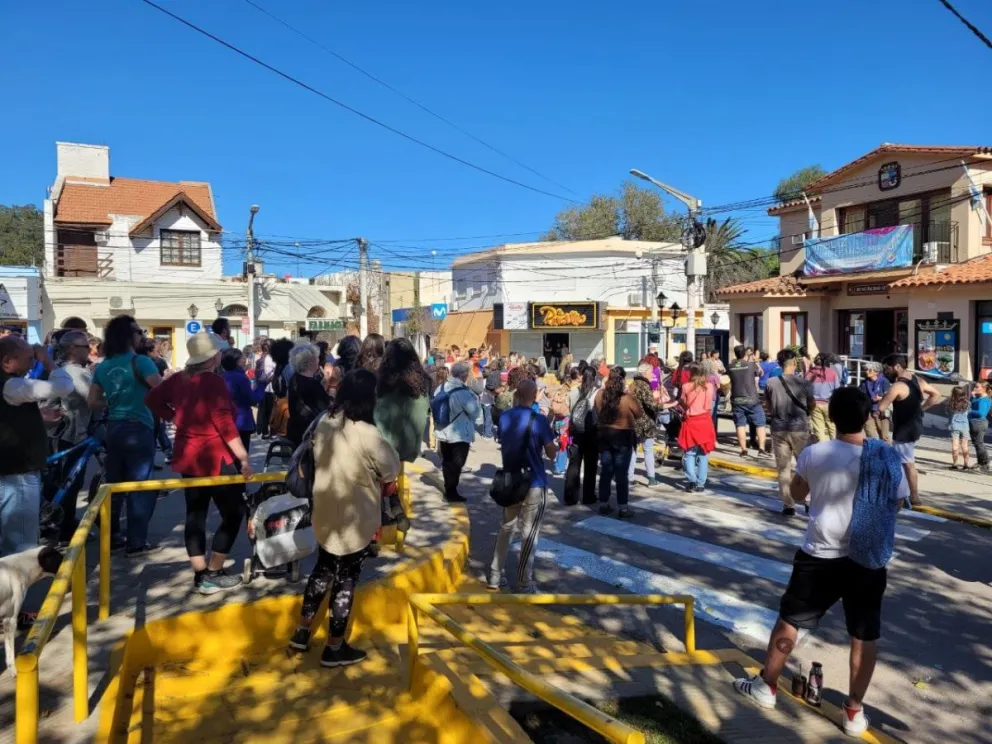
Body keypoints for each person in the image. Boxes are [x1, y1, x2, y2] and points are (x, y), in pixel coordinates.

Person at [734, 387, 907, 739]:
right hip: (868, 560)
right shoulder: (885, 457)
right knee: (863, 635)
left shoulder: (816, 453)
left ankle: (767, 686)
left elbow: (797, 495)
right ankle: (854, 712)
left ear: (831, 417)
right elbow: (898, 501)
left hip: (819, 556)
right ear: (867, 417)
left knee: (790, 622)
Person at [287, 369, 400, 667]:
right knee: (346, 579)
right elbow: (391, 470)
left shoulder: (324, 421)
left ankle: (301, 632)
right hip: (355, 517)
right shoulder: (368, 433)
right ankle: (334, 647)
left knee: (322, 570)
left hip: (324, 509)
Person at [146, 333, 253, 594]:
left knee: (196, 514)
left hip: (188, 455)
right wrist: (243, 457)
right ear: (213, 357)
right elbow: (224, 425)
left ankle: (200, 574)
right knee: (234, 511)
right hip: (214, 456)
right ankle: (214, 570)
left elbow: (152, 400)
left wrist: (175, 418)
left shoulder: (179, 379)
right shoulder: (213, 382)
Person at [88, 315, 162, 555]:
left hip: (114, 428)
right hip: (139, 427)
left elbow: (93, 401)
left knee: (113, 486)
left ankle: (111, 537)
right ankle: (136, 541)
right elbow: (161, 390)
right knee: (140, 486)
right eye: (138, 331)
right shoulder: (141, 362)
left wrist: (114, 402)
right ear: (129, 335)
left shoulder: (103, 366)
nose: (142, 335)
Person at [1, 336, 73, 556]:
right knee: (21, 545)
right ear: (7, 362)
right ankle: (17, 588)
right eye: (29, 358)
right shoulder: (12, 384)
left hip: (10, 470)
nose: (34, 363)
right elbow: (64, 386)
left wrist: (37, 417)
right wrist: (48, 361)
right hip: (18, 472)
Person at [487, 379, 556, 593]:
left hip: (511, 480)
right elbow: (552, 452)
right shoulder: (540, 421)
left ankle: (495, 575)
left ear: (517, 394)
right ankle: (524, 581)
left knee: (506, 528)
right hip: (534, 481)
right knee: (529, 533)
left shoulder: (506, 417)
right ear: (535, 396)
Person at [374, 338, 431, 529]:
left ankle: (385, 511)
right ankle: (395, 505)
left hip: (383, 445)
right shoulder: (423, 383)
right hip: (409, 447)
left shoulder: (382, 383)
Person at [44, 331, 94, 544]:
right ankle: (66, 531)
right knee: (70, 483)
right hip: (71, 434)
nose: (89, 351)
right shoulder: (74, 372)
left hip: (58, 433)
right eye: (85, 347)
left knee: (61, 481)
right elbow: (93, 398)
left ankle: (58, 521)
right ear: (72, 349)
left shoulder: (62, 370)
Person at [878, 354, 942, 507]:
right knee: (901, 462)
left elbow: (881, 407)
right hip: (915, 426)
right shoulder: (917, 380)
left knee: (907, 463)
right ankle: (903, 494)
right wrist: (922, 408)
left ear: (897, 367)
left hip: (904, 429)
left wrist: (883, 399)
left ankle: (913, 496)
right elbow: (936, 394)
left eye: (888, 368)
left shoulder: (897, 386)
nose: (886, 372)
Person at [765, 350, 815, 515]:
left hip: (779, 428)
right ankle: (808, 501)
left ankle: (788, 505)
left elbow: (769, 407)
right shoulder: (805, 383)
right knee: (806, 466)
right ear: (794, 363)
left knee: (783, 468)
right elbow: (812, 405)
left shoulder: (771, 383)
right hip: (800, 427)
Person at [595, 367, 643, 518]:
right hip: (622, 435)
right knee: (621, 474)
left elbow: (597, 411)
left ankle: (603, 503)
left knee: (606, 470)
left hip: (604, 434)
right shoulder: (626, 398)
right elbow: (639, 413)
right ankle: (623, 507)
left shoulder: (599, 395)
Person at [434, 361, 480, 503]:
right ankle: (451, 492)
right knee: (456, 464)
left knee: (447, 462)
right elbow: (475, 412)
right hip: (459, 434)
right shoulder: (463, 392)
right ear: (464, 376)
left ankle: (449, 489)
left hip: (442, 431)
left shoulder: (440, 387)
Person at [674, 363, 717, 492]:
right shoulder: (709, 386)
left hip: (691, 421)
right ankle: (701, 483)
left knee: (689, 453)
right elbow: (709, 404)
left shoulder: (686, 386)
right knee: (703, 453)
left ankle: (691, 480)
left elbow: (684, 403)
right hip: (705, 420)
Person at [564, 367, 599, 506]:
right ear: (595, 377)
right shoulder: (597, 393)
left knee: (573, 463)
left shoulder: (573, 392)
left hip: (575, 431)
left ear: (581, 377)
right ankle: (588, 496)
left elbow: (570, 410)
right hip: (591, 432)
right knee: (591, 465)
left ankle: (570, 497)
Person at [221, 347, 266, 450]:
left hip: (227, 420)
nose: (245, 359)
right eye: (242, 357)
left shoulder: (223, 376)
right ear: (237, 361)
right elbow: (253, 399)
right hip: (241, 420)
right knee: (241, 455)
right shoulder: (240, 378)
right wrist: (262, 384)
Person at [728, 345, 768, 458]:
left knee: (740, 425)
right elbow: (761, 373)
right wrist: (756, 362)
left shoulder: (730, 366)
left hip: (736, 399)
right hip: (752, 399)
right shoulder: (751, 365)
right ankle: (761, 449)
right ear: (745, 354)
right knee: (760, 423)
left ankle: (744, 450)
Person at [287, 344, 331, 447]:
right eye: (317, 358)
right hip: (309, 432)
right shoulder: (313, 384)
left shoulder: (294, 378)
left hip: (295, 428)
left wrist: (323, 385)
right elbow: (326, 408)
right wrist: (331, 387)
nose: (319, 360)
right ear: (310, 361)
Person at [628, 363, 661, 486]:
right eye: (650, 372)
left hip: (633, 422)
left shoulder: (632, 385)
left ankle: (630, 477)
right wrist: (659, 401)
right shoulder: (644, 386)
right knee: (648, 450)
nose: (652, 374)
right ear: (644, 373)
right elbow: (651, 404)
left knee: (633, 450)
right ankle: (651, 478)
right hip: (646, 422)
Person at [807, 353, 840, 442]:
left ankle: (823, 448)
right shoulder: (832, 373)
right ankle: (834, 446)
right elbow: (837, 389)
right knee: (832, 427)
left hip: (814, 404)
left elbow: (804, 390)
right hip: (829, 403)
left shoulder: (809, 373)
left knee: (819, 429)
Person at [860, 363, 891, 443]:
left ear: (876, 372)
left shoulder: (884, 381)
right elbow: (861, 397)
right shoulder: (864, 383)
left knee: (884, 436)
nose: (866, 372)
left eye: (869, 370)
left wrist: (880, 398)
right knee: (871, 435)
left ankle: (887, 453)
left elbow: (889, 396)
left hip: (881, 412)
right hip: (869, 412)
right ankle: (874, 453)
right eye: (865, 370)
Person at [967, 381, 991, 473]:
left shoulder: (984, 400)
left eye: (977, 387)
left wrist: (969, 411)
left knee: (979, 444)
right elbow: (971, 404)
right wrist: (972, 397)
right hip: (975, 423)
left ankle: (984, 463)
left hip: (979, 423)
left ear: (984, 389)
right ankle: (981, 462)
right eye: (975, 387)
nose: (974, 389)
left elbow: (981, 413)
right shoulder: (978, 398)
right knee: (977, 443)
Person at [947, 385, 971, 471]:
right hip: (965, 426)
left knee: (955, 446)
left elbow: (949, 415)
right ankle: (966, 465)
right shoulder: (968, 403)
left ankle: (955, 464)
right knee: (965, 446)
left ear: (954, 394)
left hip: (954, 426)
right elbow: (969, 413)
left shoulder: (950, 403)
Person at [254, 339, 275, 438]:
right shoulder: (270, 358)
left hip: (262, 387)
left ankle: (263, 431)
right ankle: (267, 432)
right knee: (270, 411)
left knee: (264, 410)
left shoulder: (260, 358)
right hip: (270, 388)